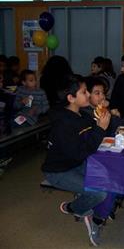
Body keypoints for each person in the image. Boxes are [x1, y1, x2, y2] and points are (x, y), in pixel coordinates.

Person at [41, 75, 115, 247]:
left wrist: (106, 117)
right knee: (99, 193)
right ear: (71, 98)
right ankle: (74, 208)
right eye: (84, 92)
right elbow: (79, 153)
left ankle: (88, 204)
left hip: (77, 163)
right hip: (59, 171)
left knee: (110, 177)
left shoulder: (82, 115)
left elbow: (98, 135)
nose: (88, 95)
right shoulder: (63, 124)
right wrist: (99, 129)